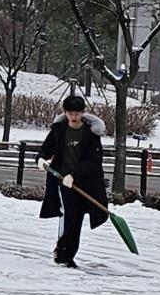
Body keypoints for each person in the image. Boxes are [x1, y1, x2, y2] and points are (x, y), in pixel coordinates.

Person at [37, 93, 109, 268]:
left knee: (76, 218)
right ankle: (63, 254)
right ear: (65, 112)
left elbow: (94, 161)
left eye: (77, 113)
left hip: (83, 182)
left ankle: (67, 254)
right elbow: (47, 148)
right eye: (70, 113)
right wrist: (40, 158)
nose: (73, 117)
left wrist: (74, 175)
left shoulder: (91, 133)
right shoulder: (59, 130)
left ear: (83, 113)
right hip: (61, 181)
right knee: (68, 215)